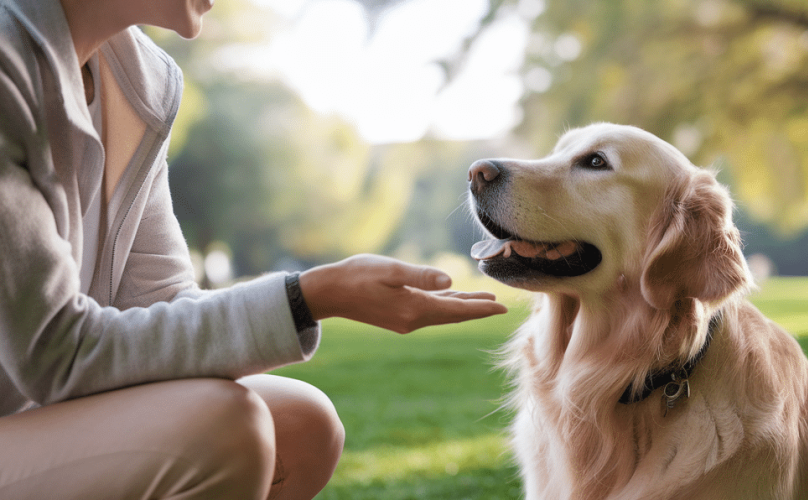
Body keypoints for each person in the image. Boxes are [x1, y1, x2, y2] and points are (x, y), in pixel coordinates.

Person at [0, 0, 509, 498]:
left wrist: (315, 296)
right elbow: (53, 353)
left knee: (302, 425)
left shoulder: (141, 81)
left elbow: (158, 303)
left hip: (37, 416)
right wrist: (312, 297)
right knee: (222, 428)